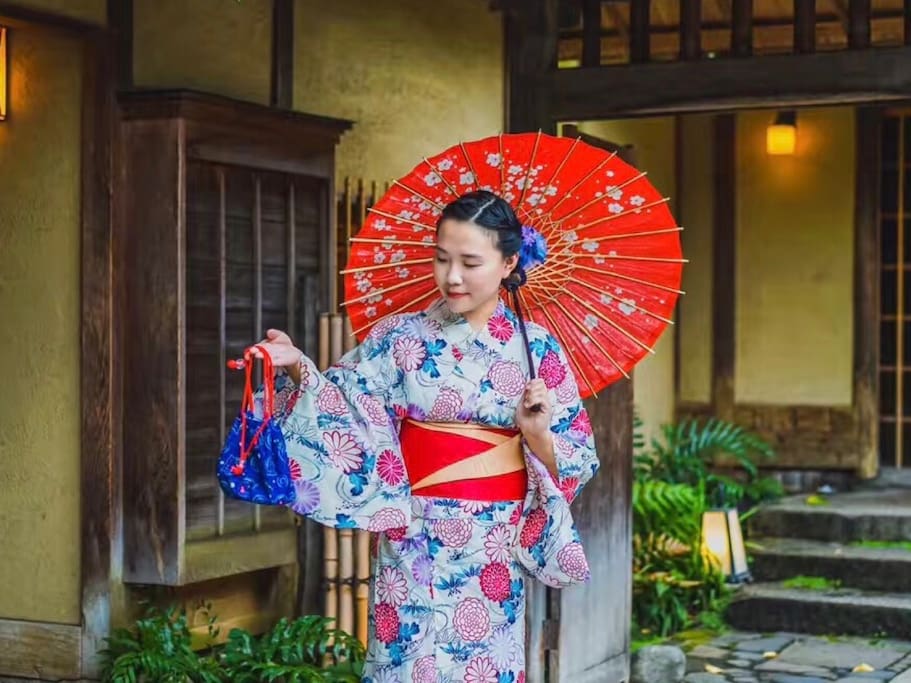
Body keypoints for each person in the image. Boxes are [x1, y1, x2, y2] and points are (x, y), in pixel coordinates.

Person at [251, 190, 599, 682]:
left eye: (470, 262)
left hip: (492, 545)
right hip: (411, 536)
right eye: (441, 259)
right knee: (405, 666)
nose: (452, 276)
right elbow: (344, 406)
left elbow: (578, 456)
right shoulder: (401, 338)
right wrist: (298, 370)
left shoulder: (537, 349)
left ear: (509, 262)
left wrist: (538, 435)